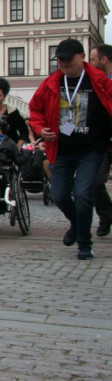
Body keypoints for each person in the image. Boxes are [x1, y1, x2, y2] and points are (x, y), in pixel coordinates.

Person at [30, 38, 112, 260]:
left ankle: (84, 244)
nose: (64, 64)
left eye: (68, 60)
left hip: (91, 150)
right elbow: (35, 111)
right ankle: (76, 223)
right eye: (60, 60)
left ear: (82, 58)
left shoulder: (100, 81)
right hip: (62, 148)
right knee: (59, 195)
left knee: (84, 194)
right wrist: (41, 130)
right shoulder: (51, 83)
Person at [89, 44, 112, 238]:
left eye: (93, 60)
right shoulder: (95, 83)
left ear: (104, 60)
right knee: (95, 182)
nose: (91, 63)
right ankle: (107, 216)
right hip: (102, 142)